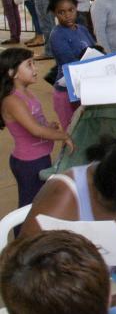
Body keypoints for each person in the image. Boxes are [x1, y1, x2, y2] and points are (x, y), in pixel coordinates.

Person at [20, 140, 116, 309]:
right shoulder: (65, 195)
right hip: (55, 291)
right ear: (100, 196)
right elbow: (23, 262)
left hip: (102, 284)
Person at [0, 48, 74, 207]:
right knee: (29, 206)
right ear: (13, 73)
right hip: (29, 162)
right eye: (29, 65)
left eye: (34, 63)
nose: (35, 68)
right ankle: (24, 232)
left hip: (39, 157)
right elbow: (35, 130)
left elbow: (35, 123)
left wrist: (48, 126)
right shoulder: (13, 101)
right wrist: (64, 135)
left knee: (40, 201)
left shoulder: (26, 92)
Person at [47, 0, 96, 131]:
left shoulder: (82, 29)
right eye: (61, 12)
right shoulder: (56, 35)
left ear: (76, 8)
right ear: (54, 13)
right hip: (66, 92)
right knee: (72, 132)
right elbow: (71, 63)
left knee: (88, 130)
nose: (67, 15)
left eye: (71, 10)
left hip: (85, 88)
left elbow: (93, 50)